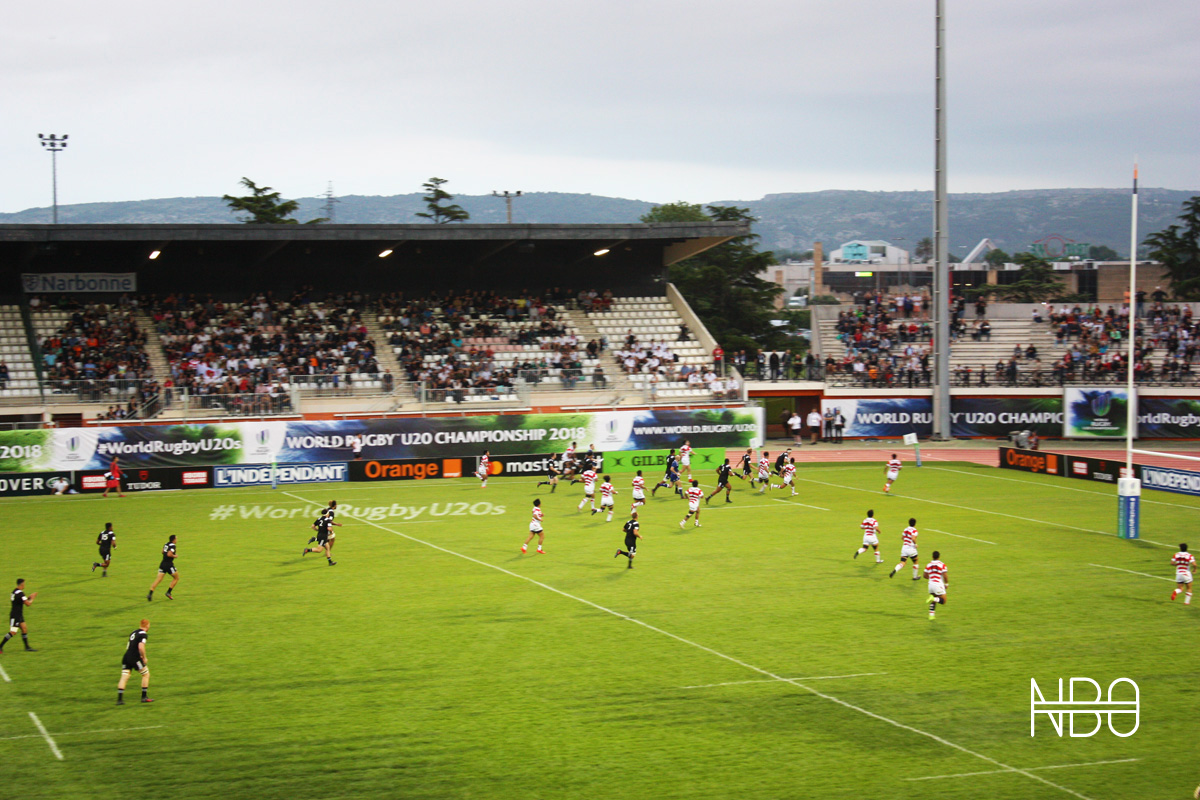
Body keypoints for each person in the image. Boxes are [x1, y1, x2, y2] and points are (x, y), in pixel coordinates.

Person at [117, 619, 153, 704]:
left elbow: (130, 646)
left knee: (124, 676)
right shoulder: (143, 634)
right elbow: (141, 647)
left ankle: (119, 700)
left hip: (126, 656)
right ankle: (144, 697)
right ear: (147, 625)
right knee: (146, 674)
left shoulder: (134, 632)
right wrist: (144, 657)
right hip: (134, 658)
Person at [1, 578, 37, 653]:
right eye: (24, 583)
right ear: (22, 584)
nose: (24, 585)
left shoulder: (14, 591)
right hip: (15, 615)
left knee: (24, 629)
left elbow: (20, 601)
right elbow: (28, 604)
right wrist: (32, 598)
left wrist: (28, 598)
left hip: (18, 614)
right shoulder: (21, 593)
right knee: (13, 632)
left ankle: (27, 647)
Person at [147, 535, 180, 601]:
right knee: (176, 578)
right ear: (173, 540)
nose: (177, 540)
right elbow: (169, 554)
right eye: (176, 539)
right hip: (169, 565)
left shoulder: (166, 544)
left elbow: (162, 551)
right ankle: (168, 592)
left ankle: (150, 594)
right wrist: (175, 556)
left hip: (162, 564)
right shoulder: (173, 545)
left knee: (158, 580)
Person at [924, 551, 948, 619]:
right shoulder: (942, 565)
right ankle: (933, 598)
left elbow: (925, 575)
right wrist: (946, 583)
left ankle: (931, 615)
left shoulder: (928, 565)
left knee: (935, 599)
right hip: (938, 584)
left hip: (930, 585)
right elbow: (945, 576)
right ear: (939, 557)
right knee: (943, 600)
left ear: (932, 557)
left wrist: (931, 577)